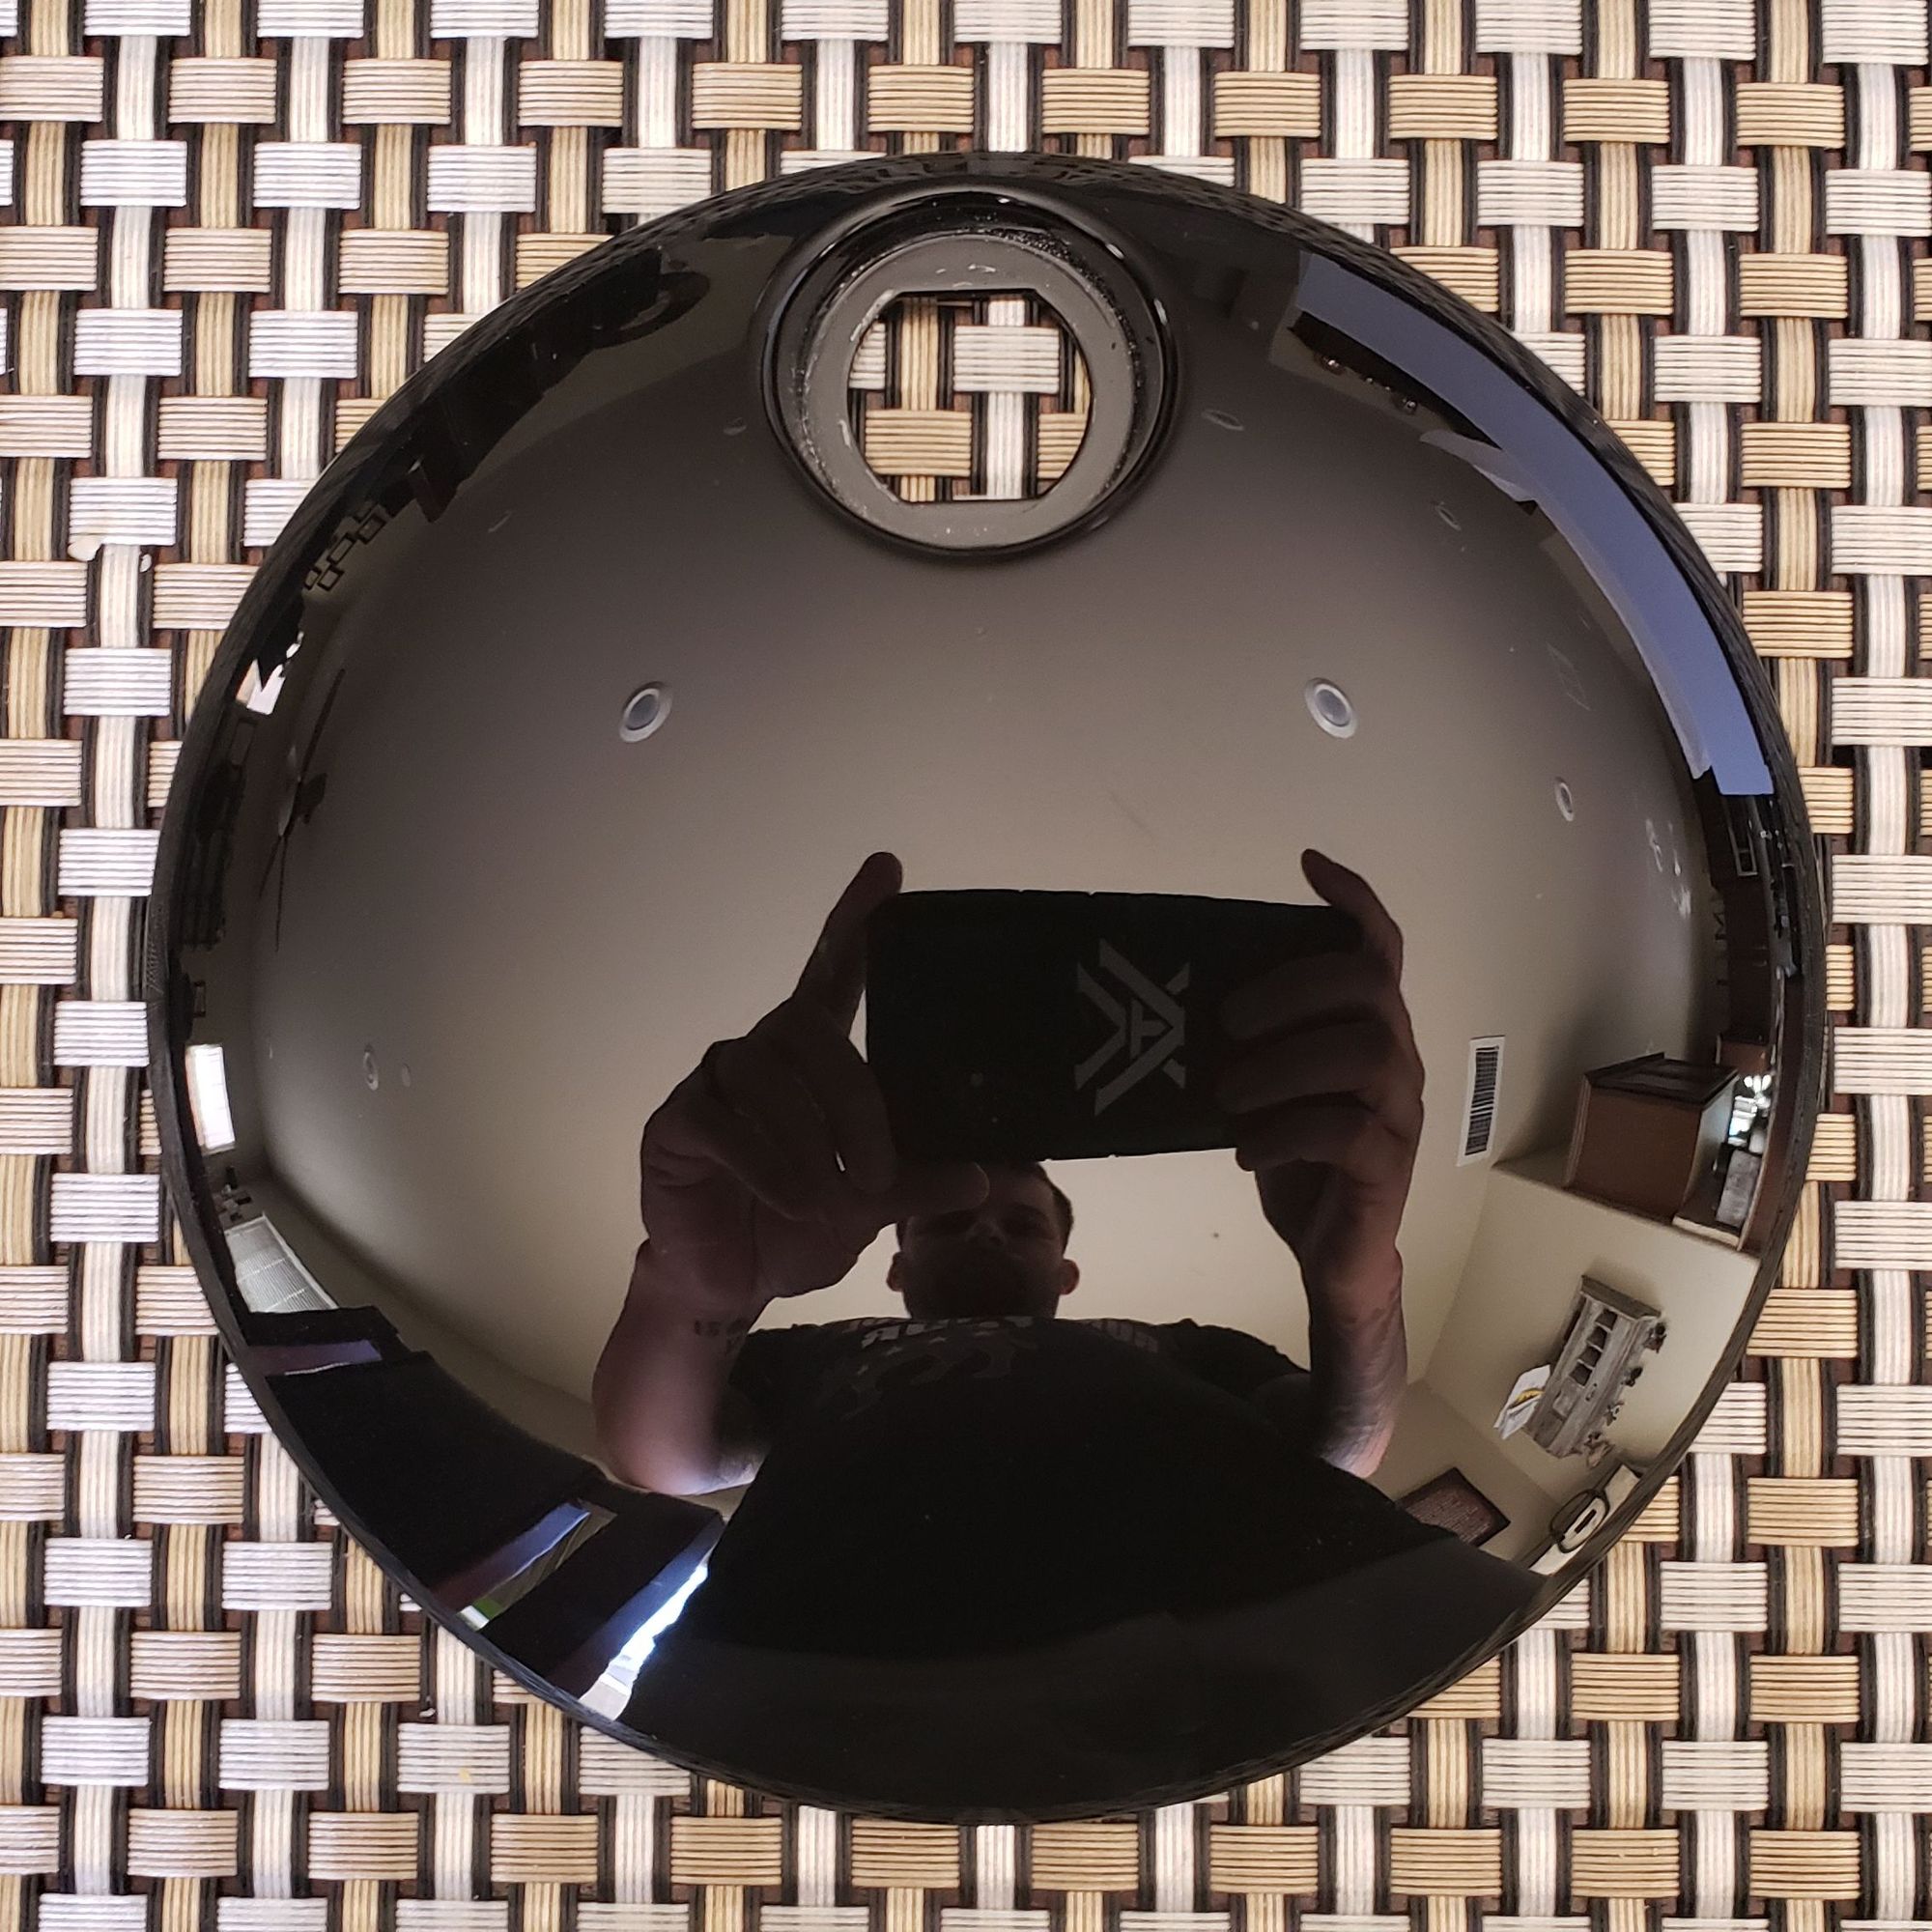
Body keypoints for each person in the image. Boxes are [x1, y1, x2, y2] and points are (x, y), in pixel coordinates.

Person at [595, 852, 1542, 1801]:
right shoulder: (818, 1353)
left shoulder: (1184, 1343)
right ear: (895, 1263)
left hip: (1341, 1636)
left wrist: (1357, 1278)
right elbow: (662, 1459)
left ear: (1066, 1270)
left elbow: (1344, 1447)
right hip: (802, 1708)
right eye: (948, 1220)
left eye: (1023, 1224)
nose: (985, 1232)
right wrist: (693, 1283)